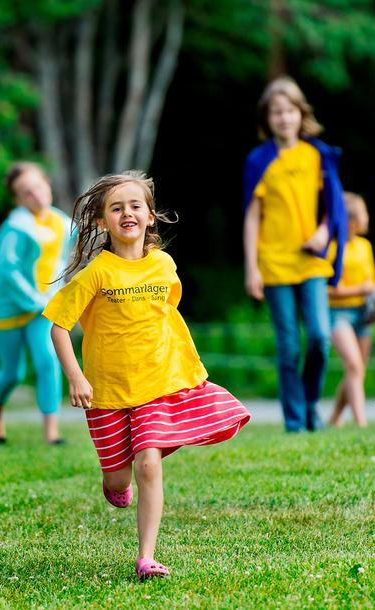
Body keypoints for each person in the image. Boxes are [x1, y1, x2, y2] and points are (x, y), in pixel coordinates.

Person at [46, 171, 251, 581]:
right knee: (121, 475)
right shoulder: (96, 273)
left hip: (156, 383)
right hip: (105, 391)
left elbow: (166, 314)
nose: (127, 213)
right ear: (102, 222)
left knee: (148, 464)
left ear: (151, 216)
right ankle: (114, 479)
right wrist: (75, 377)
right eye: (116, 207)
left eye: (135, 205)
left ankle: (146, 556)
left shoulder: (164, 265)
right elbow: (58, 325)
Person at [242, 75, 348, 433]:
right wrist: (251, 268)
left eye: (290, 111)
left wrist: (323, 233)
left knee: (320, 337)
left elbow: (333, 208)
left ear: (301, 114)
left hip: (311, 262)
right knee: (288, 345)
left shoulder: (318, 154)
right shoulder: (259, 161)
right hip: (273, 263)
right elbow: (252, 217)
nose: (284, 118)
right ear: (267, 118)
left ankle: (309, 404)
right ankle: (295, 420)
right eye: (276, 112)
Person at [0, 162, 74, 445]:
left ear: (47, 184)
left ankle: (51, 432)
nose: (35, 194)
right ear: (19, 200)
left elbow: (69, 256)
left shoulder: (63, 223)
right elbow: (8, 271)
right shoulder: (14, 228)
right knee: (13, 372)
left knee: (48, 361)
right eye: (26, 192)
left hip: (42, 307)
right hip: (8, 308)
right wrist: (36, 300)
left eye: (38, 186)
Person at [326, 193, 375, 428]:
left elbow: (370, 284)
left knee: (357, 370)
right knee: (354, 365)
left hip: (363, 314)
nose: (368, 218)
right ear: (352, 221)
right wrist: (360, 289)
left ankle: (336, 416)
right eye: (364, 213)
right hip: (338, 314)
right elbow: (329, 289)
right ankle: (361, 421)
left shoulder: (365, 247)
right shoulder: (332, 249)